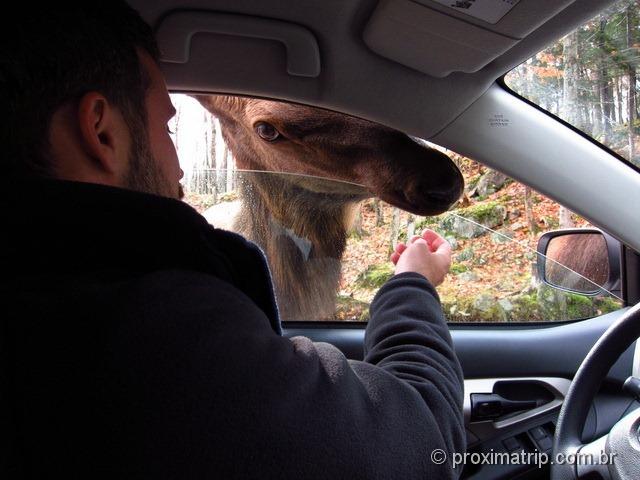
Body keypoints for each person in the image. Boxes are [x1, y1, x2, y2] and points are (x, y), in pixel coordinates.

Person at [0, 3, 465, 479]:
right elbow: (421, 443)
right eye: (164, 127)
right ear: (100, 130)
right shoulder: (158, 341)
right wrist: (412, 283)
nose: (179, 169)